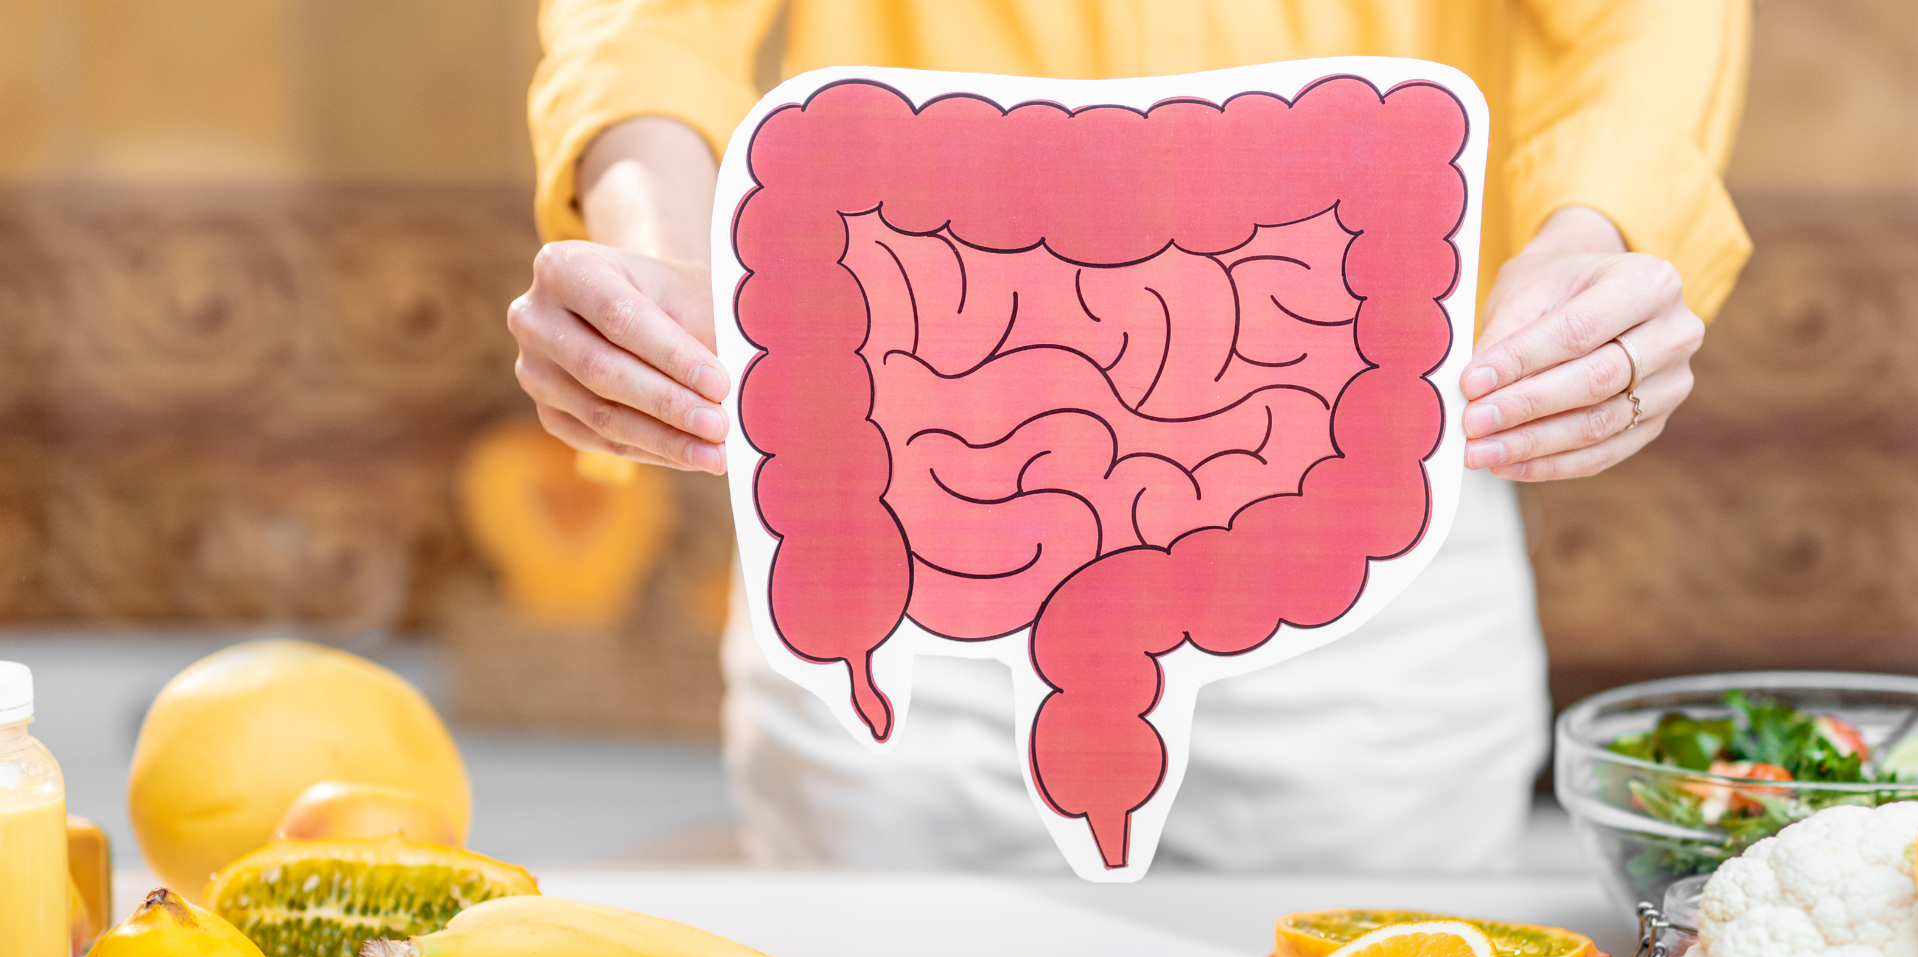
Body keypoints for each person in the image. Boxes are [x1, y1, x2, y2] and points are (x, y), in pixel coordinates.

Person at [507, 0, 1752, 871]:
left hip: (1379, 540)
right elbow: (649, 14)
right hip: (886, 562)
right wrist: (649, 228)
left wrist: (1605, 227)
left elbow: (1641, 16)